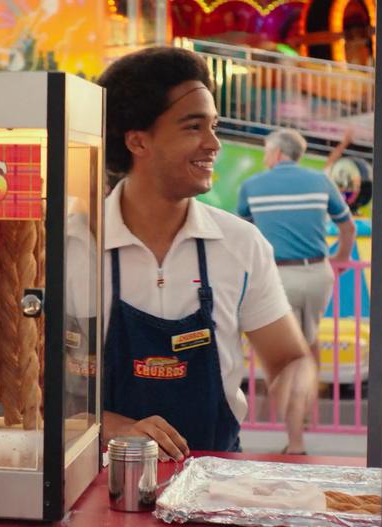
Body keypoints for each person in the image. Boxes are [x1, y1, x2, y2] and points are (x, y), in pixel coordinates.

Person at [98, 47, 317, 460]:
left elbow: (288, 358)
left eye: (214, 125)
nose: (214, 143)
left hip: (216, 482)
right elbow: (34, 390)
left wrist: (296, 378)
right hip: (96, 481)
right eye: (194, 126)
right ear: (137, 140)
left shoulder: (241, 243)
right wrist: (116, 429)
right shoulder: (74, 244)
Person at [237, 129, 357, 383]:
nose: (264, 158)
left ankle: (289, 408)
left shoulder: (252, 186)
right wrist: (341, 259)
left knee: (281, 347)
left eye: (267, 152)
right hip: (318, 275)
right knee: (309, 339)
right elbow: (349, 227)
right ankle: (309, 406)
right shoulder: (321, 181)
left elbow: (242, 235)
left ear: (278, 153)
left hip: (278, 275)